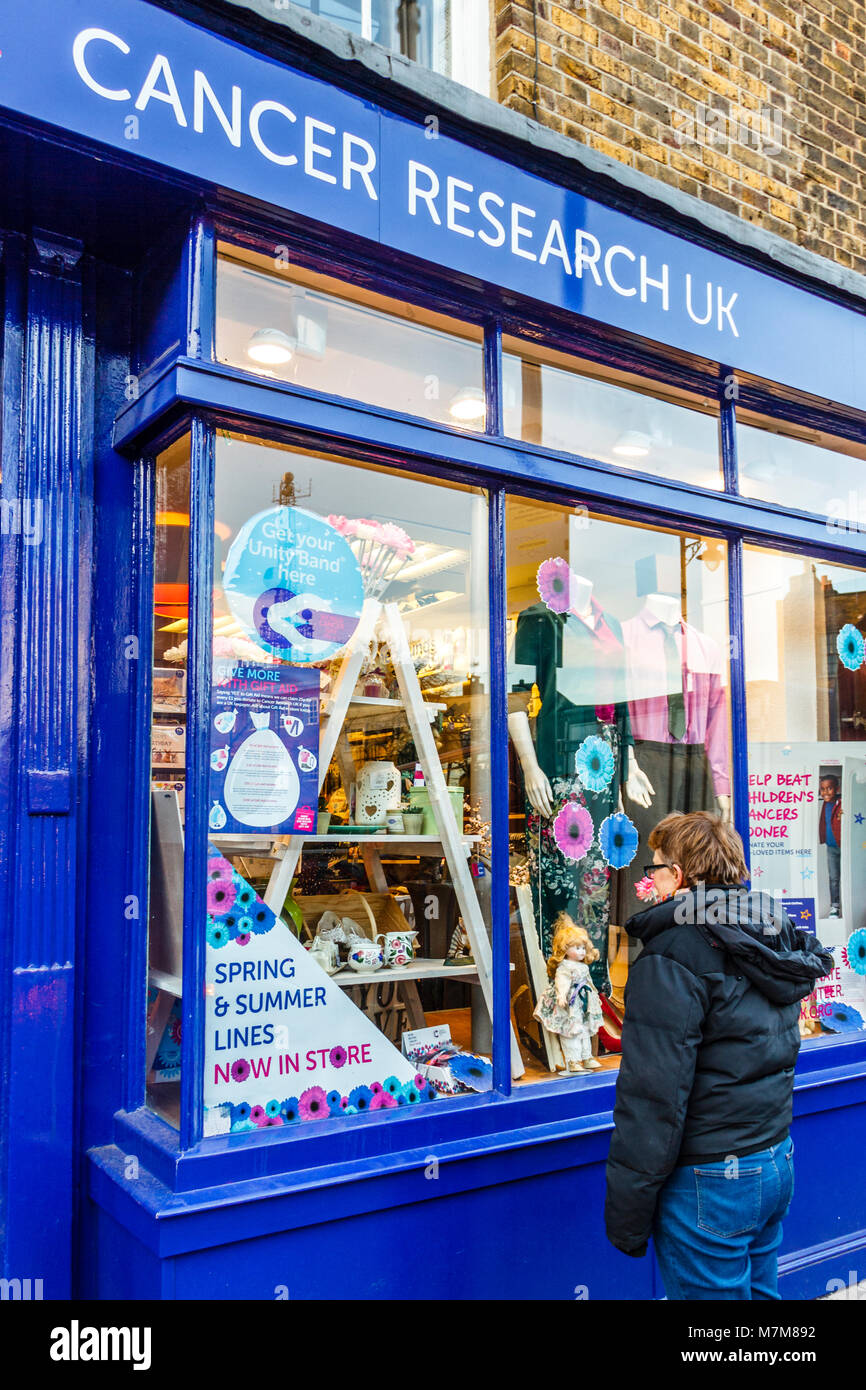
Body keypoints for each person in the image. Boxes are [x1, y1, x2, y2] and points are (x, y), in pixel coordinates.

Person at [604, 811, 833, 1300]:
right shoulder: (768, 929)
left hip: (710, 1176)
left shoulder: (673, 952)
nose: (651, 879)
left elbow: (654, 1097)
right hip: (772, 1158)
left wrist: (628, 1214)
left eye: (655, 868)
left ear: (678, 876)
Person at [818, 774, 842, 916]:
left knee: (848, 876)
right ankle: (835, 906)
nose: (825, 792)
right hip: (831, 847)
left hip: (844, 846)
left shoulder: (842, 803)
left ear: (837, 789)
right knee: (833, 878)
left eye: (829, 788)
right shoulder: (825, 804)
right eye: (823, 789)